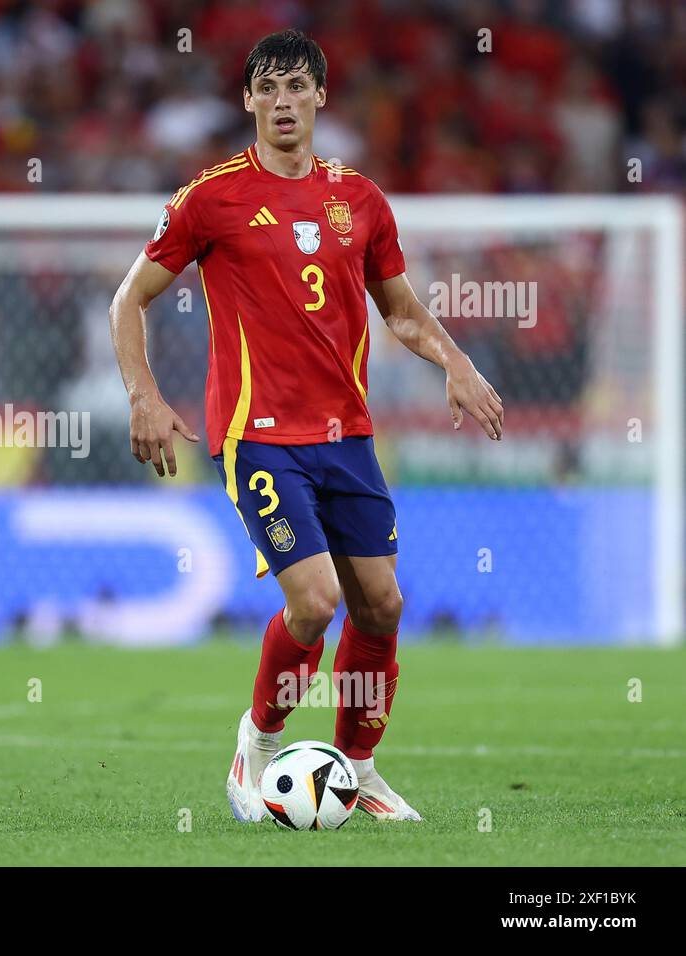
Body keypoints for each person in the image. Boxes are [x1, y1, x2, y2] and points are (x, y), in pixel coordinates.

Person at [107, 30, 504, 823]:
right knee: (317, 601)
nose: (282, 101)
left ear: (321, 96)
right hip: (256, 434)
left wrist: (454, 360)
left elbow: (400, 310)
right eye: (267, 88)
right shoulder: (209, 197)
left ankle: (356, 768)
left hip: (346, 435)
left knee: (382, 606)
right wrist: (143, 394)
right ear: (247, 100)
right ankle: (255, 743)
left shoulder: (360, 199)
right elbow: (129, 299)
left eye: (297, 86)